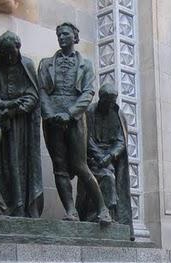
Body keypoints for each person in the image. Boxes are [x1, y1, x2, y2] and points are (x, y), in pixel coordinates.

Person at [38, 22, 112, 224]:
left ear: (75, 37)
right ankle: (71, 211)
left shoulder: (85, 64)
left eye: (65, 34)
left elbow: (89, 92)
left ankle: (102, 209)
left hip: (75, 119)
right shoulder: (45, 63)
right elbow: (42, 91)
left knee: (80, 166)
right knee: (59, 168)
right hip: (52, 121)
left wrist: (70, 114)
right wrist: (50, 114)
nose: (61, 37)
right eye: (59, 34)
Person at [0, 31, 43, 218]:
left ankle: (22, 206)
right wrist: (4, 106)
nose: (8, 57)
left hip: (21, 124)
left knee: (19, 164)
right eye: (4, 53)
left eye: (11, 52)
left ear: (18, 48)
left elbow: (33, 94)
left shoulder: (27, 64)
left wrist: (17, 109)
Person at [76, 83, 133, 238]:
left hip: (110, 159)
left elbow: (121, 141)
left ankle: (109, 215)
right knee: (107, 177)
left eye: (113, 102)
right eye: (108, 102)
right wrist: (99, 156)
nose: (111, 105)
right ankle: (97, 215)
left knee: (110, 175)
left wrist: (109, 156)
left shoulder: (117, 113)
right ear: (101, 99)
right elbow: (86, 138)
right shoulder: (89, 112)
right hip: (91, 158)